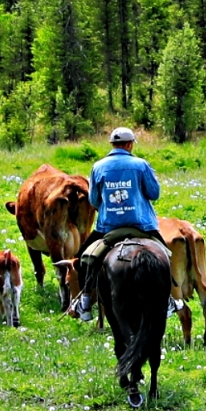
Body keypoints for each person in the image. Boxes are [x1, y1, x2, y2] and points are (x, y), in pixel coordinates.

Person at [72, 128, 161, 316]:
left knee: (83, 259)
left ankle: (85, 301)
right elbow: (154, 193)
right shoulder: (141, 165)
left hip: (108, 228)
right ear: (130, 145)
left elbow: (94, 200)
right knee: (165, 255)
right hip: (141, 226)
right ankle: (169, 299)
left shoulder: (98, 167)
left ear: (112, 145)